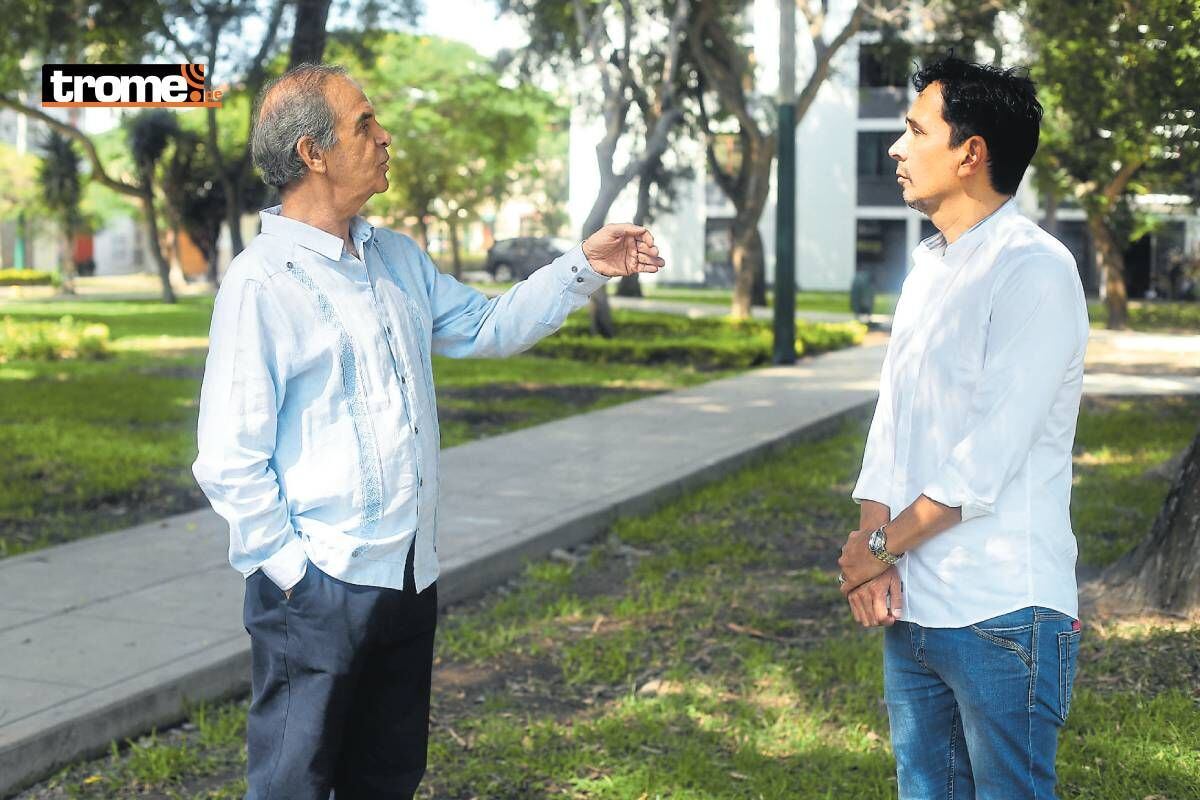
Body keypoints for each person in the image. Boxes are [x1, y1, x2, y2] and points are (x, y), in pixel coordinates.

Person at [192, 63, 665, 800]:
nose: (385, 137)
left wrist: (583, 266)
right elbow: (229, 458)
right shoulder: (261, 282)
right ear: (313, 154)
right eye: (364, 125)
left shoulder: (397, 258)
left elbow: (487, 325)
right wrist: (294, 577)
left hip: (410, 576)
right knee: (292, 786)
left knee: (388, 780)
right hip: (317, 587)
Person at [835, 55, 1089, 799]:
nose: (897, 148)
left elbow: (985, 461)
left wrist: (878, 548)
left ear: (970, 153)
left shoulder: (1035, 270)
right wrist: (873, 550)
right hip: (913, 606)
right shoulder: (927, 268)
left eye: (916, 131)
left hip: (1002, 612)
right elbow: (892, 425)